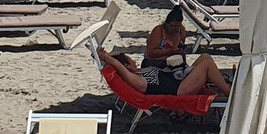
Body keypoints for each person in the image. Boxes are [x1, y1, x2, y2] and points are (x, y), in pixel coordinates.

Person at [98, 48, 232, 97]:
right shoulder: (137, 79)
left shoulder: (138, 72)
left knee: (205, 57)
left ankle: (226, 89)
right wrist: (106, 58)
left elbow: (119, 60)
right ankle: (229, 93)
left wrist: (108, 54)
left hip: (181, 80)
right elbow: (120, 67)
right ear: (127, 66)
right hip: (180, 89)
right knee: (207, 63)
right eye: (130, 60)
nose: (134, 61)